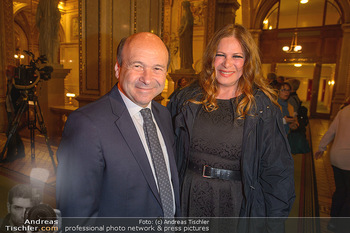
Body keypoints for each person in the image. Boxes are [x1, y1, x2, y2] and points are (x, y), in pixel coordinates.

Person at [168, 24, 295, 222]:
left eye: (237, 56)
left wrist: (274, 222)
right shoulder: (185, 99)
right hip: (187, 197)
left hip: (236, 203)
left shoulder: (262, 107)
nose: (227, 63)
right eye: (221, 55)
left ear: (248, 61)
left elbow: (277, 172)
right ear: (211, 58)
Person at [56, 32, 180, 218]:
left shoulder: (163, 115)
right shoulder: (86, 125)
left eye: (157, 68)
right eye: (138, 66)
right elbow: (77, 216)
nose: (147, 78)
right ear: (118, 68)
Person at [315, 104, 350, 231]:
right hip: (348, 158)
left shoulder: (344, 110)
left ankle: (333, 222)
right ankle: (342, 225)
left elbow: (331, 130)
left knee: (340, 190)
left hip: (336, 156)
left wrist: (321, 147)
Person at [178, 0, 194, 71]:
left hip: (186, 35)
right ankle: (183, 65)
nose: (183, 8)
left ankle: (186, 64)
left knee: (186, 50)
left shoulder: (188, 14)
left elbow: (187, 24)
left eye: (184, 6)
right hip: (183, 36)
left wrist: (182, 32)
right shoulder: (185, 13)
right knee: (183, 51)